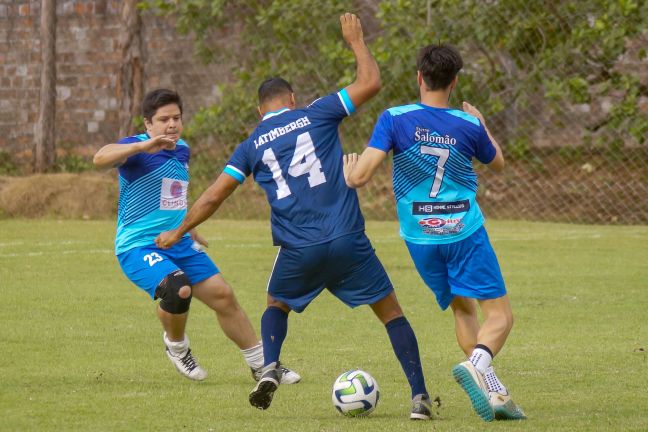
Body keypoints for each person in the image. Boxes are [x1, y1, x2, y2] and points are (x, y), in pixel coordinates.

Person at [155, 14, 437, 420]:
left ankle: (269, 365)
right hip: (346, 239)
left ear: (259, 110)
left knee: (276, 304)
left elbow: (215, 195)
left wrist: (179, 230)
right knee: (391, 313)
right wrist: (356, 40)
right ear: (291, 100)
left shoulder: (251, 145)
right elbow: (371, 83)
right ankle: (419, 398)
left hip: (299, 248)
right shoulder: (318, 111)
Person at [343, 43, 526, 421]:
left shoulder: (394, 118)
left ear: (419, 78)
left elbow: (360, 176)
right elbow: (500, 163)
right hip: (464, 233)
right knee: (501, 318)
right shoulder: (468, 124)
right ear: (454, 82)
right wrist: (483, 123)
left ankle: (494, 392)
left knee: (463, 309)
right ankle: (478, 364)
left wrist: (350, 173)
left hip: (420, 240)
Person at [92, 88, 300, 385]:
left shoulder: (182, 149)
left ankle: (263, 366)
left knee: (224, 296)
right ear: (148, 123)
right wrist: (141, 147)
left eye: (176, 118)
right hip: (138, 247)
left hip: (178, 241)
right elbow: (100, 158)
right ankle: (176, 346)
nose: (172, 125)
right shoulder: (136, 148)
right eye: (163, 119)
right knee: (178, 288)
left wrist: (188, 227)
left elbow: (172, 197)